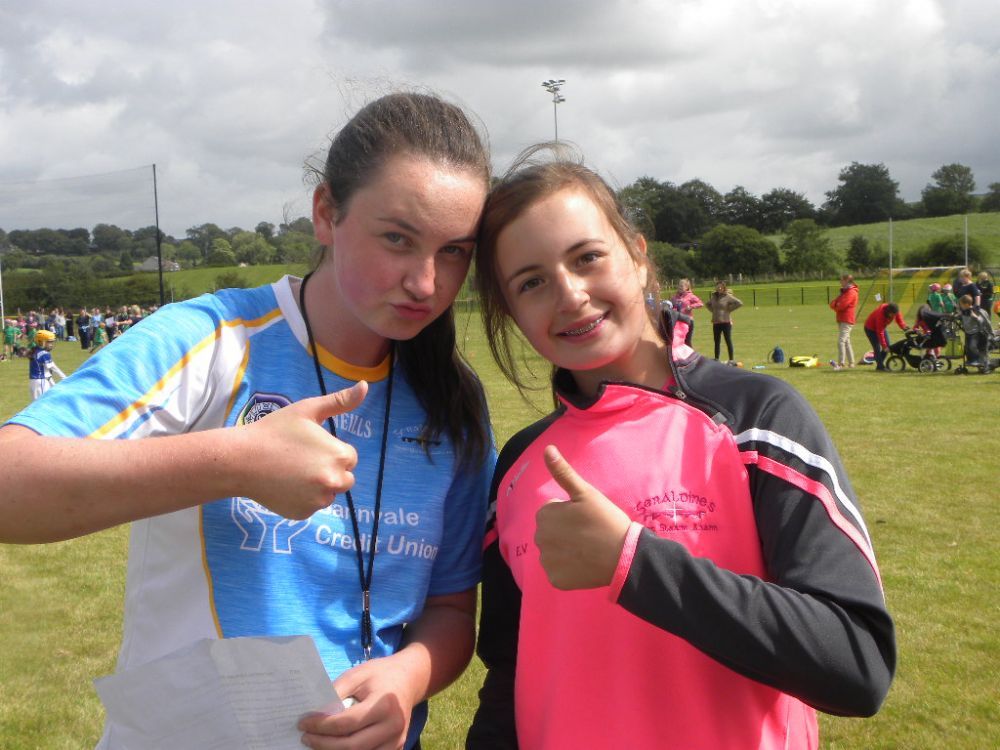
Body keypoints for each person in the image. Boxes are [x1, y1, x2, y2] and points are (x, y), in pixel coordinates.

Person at [0, 91, 496, 750]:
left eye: (454, 251)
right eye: (397, 239)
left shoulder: (452, 401)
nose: (426, 283)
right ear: (326, 212)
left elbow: (451, 608)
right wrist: (234, 462)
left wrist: (408, 677)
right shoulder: (214, 337)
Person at [466, 147, 895, 749]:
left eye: (587, 257)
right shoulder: (518, 463)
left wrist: (635, 563)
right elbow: (509, 673)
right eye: (531, 282)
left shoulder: (757, 419)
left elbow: (857, 661)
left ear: (639, 256)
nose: (569, 294)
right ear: (510, 311)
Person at [863, 302, 908, 371]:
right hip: (870, 329)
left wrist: (904, 327)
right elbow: (880, 332)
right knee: (877, 347)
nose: (893, 316)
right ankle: (880, 367)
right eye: (892, 314)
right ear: (888, 311)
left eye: (895, 314)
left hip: (882, 328)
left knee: (888, 346)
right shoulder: (881, 315)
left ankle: (878, 363)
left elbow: (899, 320)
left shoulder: (895, 310)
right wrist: (884, 346)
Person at [705, 280, 742, 361]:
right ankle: (716, 359)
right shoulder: (714, 297)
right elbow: (707, 304)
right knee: (716, 342)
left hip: (726, 322)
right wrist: (713, 311)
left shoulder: (727, 296)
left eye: (721, 287)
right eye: (718, 287)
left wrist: (729, 309)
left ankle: (731, 360)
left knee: (728, 341)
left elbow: (739, 303)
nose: (719, 288)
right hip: (716, 322)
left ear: (724, 288)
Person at [828, 274, 859, 369]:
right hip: (841, 319)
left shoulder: (851, 292)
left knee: (841, 341)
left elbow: (842, 305)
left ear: (847, 281)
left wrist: (836, 305)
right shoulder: (844, 291)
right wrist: (836, 304)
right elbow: (833, 303)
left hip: (847, 319)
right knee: (846, 342)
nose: (840, 282)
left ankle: (841, 363)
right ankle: (851, 363)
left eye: (841, 280)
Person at [27, 329, 66, 400]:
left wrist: (52, 383)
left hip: (34, 381)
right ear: (41, 342)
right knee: (43, 402)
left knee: (37, 403)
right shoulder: (44, 353)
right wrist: (64, 377)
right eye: (49, 342)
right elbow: (53, 367)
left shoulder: (35, 350)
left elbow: (46, 371)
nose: (51, 344)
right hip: (41, 381)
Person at [669, 278, 702, 346]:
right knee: (677, 341)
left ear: (686, 287)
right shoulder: (674, 297)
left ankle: (691, 353)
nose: (679, 287)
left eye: (682, 286)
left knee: (687, 342)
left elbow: (700, 303)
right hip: (677, 322)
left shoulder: (690, 296)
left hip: (688, 321)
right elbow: (670, 306)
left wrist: (691, 306)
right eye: (679, 285)